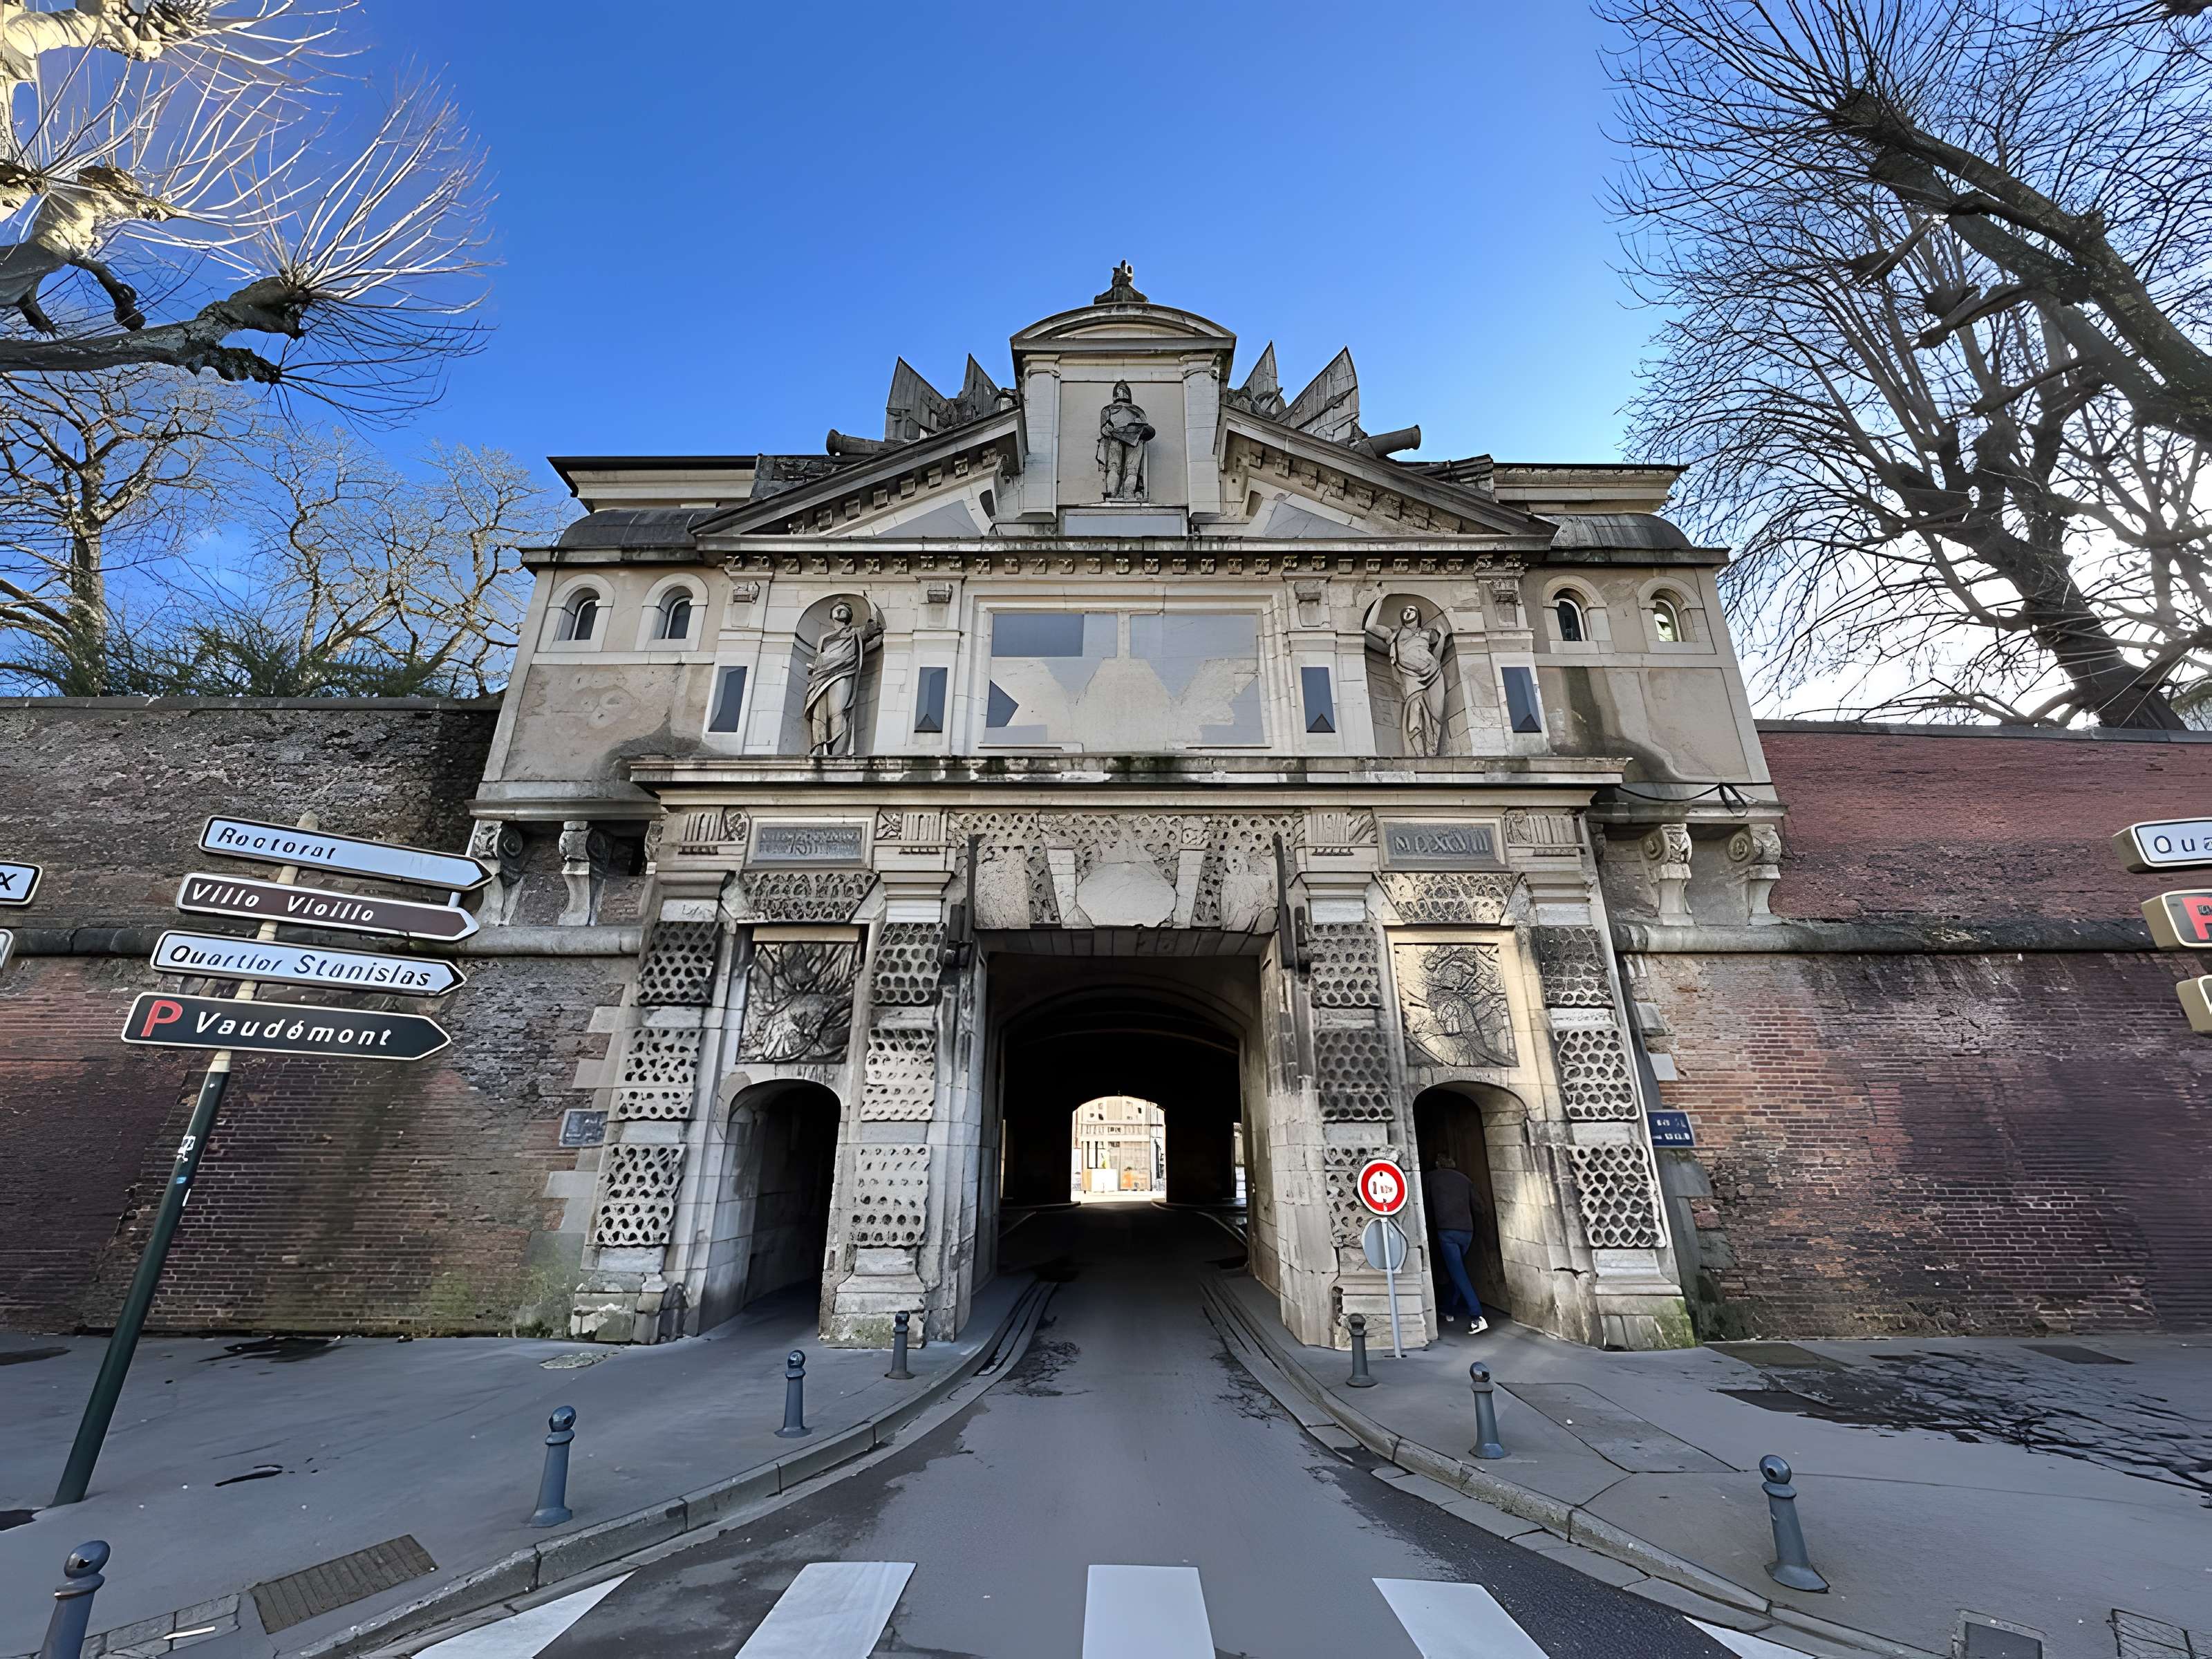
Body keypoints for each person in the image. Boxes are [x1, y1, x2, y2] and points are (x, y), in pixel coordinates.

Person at [1422, 1154, 1489, 1334]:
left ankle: (1476, 1316)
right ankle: (1449, 1308)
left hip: (1446, 1232)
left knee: (1458, 1273)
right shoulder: (1465, 1180)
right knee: (1456, 1272)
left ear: (1438, 1164)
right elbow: (1480, 1207)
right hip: (1467, 1231)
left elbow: (1424, 1206)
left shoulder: (1430, 1178)